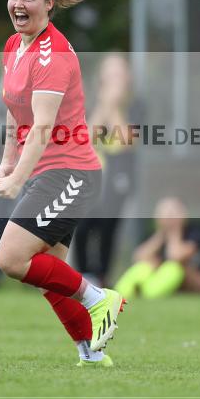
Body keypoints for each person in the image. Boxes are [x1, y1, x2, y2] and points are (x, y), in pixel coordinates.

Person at [0, 0, 123, 368]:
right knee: (49, 275)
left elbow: (44, 126)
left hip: (72, 173)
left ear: (49, 3)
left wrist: (18, 178)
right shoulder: (15, 46)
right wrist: (6, 161)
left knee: (12, 260)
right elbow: (17, 112)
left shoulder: (54, 54)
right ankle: (90, 351)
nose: (18, 4)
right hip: (50, 173)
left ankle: (100, 298)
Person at [72, 53, 142, 285]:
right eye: (110, 73)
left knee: (107, 228)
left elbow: (126, 142)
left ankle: (103, 277)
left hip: (118, 179)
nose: (114, 80)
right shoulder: (89, 102)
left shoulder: (136, 105)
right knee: (82, 226)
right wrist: (103, 106)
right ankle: (83, 276)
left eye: (119, 73)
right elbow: (85, 138)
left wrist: (113, 108)